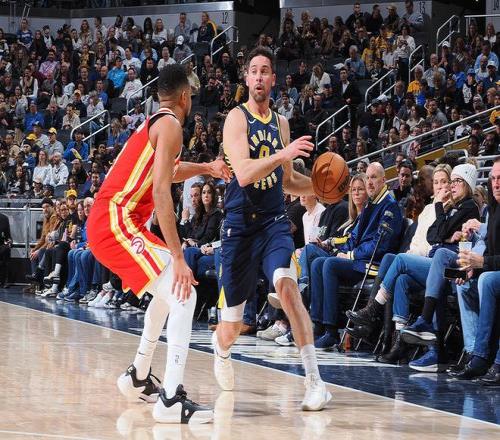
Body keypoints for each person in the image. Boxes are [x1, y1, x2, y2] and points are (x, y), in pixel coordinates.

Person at [86, 65, 231, 424]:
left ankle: (137, 376)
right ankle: (170, 400)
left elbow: (169, 171)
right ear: (184, 96)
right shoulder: (171, 126)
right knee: (184, 291)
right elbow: (161, 193)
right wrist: (178, 256)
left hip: (113, 221)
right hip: (117, 221)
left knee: (169, 293)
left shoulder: (157, 122)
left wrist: (207, 169)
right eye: (191, 95)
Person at [212, 46, 332, 411]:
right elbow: (244, 174)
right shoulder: (236, 118)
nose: (259, 76)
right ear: (247, 78)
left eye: (265, 71)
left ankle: (315, 382)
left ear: (273, 79)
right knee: (232, 327)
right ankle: (221, 349)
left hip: (273, 223)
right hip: (239, 228)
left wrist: (324, 187)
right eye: (254, 71)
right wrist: (283, 153)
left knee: (287, 287)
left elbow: (289, 180)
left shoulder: (281, 124)